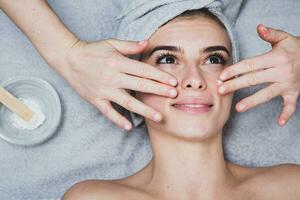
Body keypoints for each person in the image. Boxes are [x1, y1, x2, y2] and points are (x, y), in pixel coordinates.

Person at [0, 0, 300, 199]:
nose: (194, 78)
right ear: (129, 86)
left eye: (214, 59)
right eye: (168, 58)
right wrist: (67, 52)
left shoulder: (289, 187)